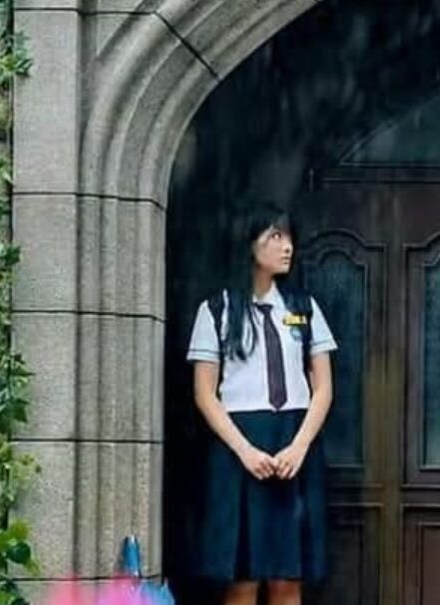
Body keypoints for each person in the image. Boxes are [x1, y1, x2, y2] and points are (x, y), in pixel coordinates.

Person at [187, 204, 336, 605]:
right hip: (239, 446)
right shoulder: (216, 310)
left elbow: (323, 387)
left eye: (288, 237)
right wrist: (245, 450)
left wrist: (300, 446)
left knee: (288, 577)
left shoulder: (304, 308)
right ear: (249, 244)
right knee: (243, 577)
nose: (287, 246)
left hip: (293, 441)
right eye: (275, 237)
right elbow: (204, 392)